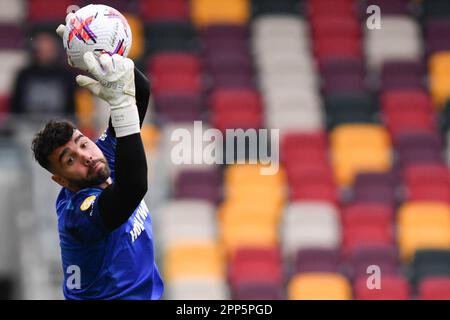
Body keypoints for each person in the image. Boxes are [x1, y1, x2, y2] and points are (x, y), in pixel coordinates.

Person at [31, 46, 164, 299]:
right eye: (70, 159)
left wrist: (101, 48)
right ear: (60, 180)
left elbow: (141, 91)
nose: (86, 157)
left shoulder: (102, 157)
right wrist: (121, 105)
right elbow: (133, 189)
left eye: (83, 143)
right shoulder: (79, 215)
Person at [11, 30, 76, 117]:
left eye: (47, 48)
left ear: (55, 49)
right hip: (28, 125)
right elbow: (15, 108)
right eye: (41, 48)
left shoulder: (67, 75)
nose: (44, 51)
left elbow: (73, 109)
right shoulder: (24, 75)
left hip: (60, 124)